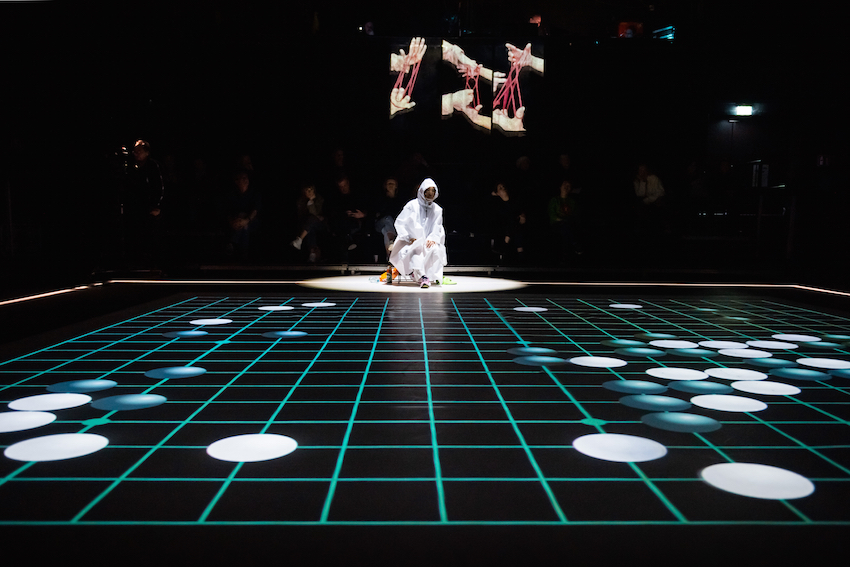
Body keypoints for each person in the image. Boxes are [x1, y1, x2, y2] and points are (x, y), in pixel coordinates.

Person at [389, 178, 447, 288]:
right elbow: (400, 222)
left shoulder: (437, 209)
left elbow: (437, 226)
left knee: (434, 250)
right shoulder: (412, 205)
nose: (430, 193)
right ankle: (422, 276)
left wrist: (432, 239)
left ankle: (427, 276)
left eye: (433, 191)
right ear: (422, 191)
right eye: (428, 190)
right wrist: (408, 237)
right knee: (417, 250)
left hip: (429, 240)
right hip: (411, 240)